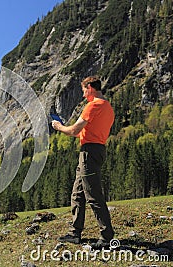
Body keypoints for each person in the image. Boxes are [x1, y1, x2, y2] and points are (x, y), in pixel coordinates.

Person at [51, 76, 115, 248]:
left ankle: (107, 236)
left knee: (93, 195)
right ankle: (74, 233)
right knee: (77, 193)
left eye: (84, 90)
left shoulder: (93, 105)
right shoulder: (108, 107)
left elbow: (74, 130)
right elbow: (88, 131)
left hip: (89, 153)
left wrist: (59, 127)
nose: (83, 95)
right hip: (97, 150)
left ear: (90, 88)